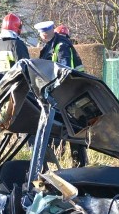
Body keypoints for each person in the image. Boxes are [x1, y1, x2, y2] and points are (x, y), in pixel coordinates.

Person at [35, 20, 88, 167]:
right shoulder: (51, 46)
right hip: (62, 94)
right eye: (41, 33)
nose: (43, 35)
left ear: (52, 31)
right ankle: (71, 160)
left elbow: (64, 71)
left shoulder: (61, 46)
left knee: (72, 129)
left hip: (67, 94)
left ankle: (78, 164)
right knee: (68, 128)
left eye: (45, 32)